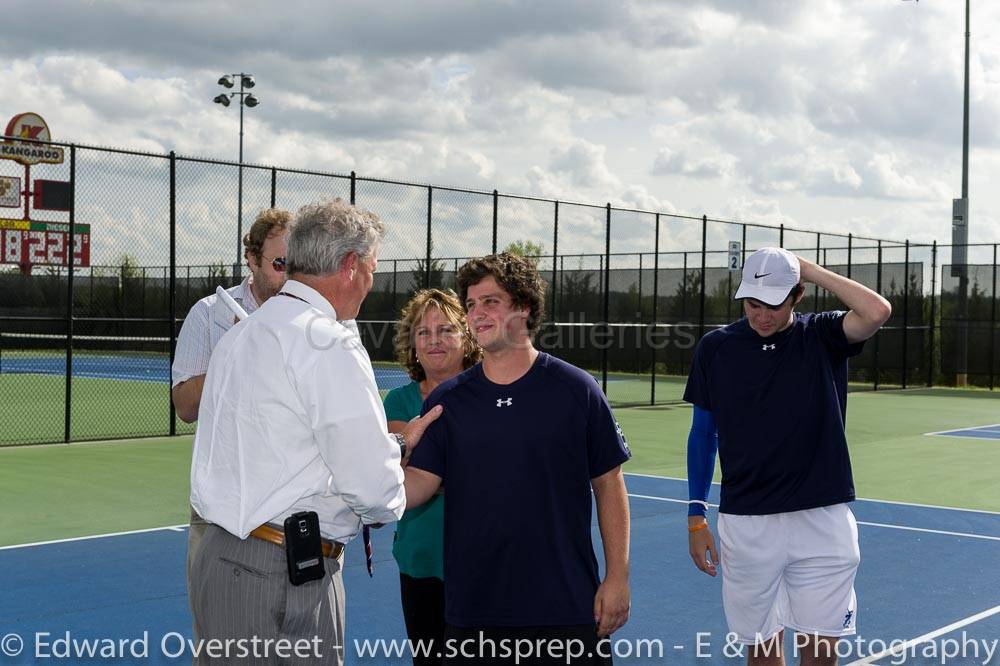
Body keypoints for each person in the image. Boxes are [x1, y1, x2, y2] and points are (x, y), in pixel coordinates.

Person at [189, 199, 442, 665]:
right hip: (286, 576)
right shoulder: (329, 341)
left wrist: (395, 444)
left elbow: (286, 449)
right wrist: (397, 468)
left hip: (221, 559)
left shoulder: (242, 335)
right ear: (350, 266)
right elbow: (372, 492)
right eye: (373, 267)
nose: (372, 281)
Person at [403, 253, 631, 665]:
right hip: (474, 611)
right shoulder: (447, 401)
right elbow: (415, 486)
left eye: (491, 301)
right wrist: (376, 459)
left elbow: (609, 482)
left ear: (524, 307)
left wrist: (617, 577)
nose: (477, 314)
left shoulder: (576, 390)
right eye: (471, 305)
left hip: (564, 607)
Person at [684, 247, 892, 666]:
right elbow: (703, 433)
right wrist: (695, 516)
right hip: (747, 524)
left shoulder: (823, 335)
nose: (761, 316)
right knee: (761, 650)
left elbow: (876, 310)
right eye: (752, 304)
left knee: (820, 651)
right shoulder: (716, 348)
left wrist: (809, 270)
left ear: (798, 295)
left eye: (774, 305)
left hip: (822, 520)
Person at [170, 207, 291, 653]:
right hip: (222, 508)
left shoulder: (313, 318)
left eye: (295, 265)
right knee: (221, 644)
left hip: (289, 508)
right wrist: (232, 351)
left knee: (292, 647)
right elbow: (184, 406)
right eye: (279, 264)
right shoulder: (209, 315)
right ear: (252, 259)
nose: (288, 275)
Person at [383, 288, 482, 665]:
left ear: (466, 335)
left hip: (481, 561)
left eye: (445, 329)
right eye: (423, 332)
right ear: (413, 343)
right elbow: (400, 471)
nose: (434, 340)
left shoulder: (487, 394)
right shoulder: (398, 402)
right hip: (420, 560)